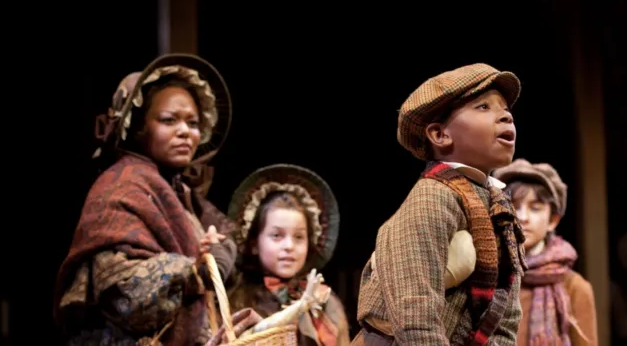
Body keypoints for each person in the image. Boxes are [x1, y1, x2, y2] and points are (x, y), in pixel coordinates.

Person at [54, 54, 238, 346]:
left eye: (192, 123)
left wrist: (218, 250)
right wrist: (195, 272)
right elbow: (123, 294)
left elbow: (228, 243)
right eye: (169, 120)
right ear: (140, 127)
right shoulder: (120, 189)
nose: (185, 131)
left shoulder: (183, 195)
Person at [353, 63, 526, 346]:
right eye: (483, 107)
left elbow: (505, 318)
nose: (506, 116)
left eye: (506, 110)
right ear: (440, 135)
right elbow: (415, 313)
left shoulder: (500, 208)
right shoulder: (433, 195)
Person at [225, 164, 349, 346]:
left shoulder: (324, 301)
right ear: (254, 244)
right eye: (277, 235)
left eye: (299, 237)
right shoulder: (236, 300)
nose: (289, 246)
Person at [493, 159, 597, 346]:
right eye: (514, 206)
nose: (523, 217)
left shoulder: (573, 287)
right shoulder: (485, 276)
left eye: (535, 208)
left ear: (553, 220)